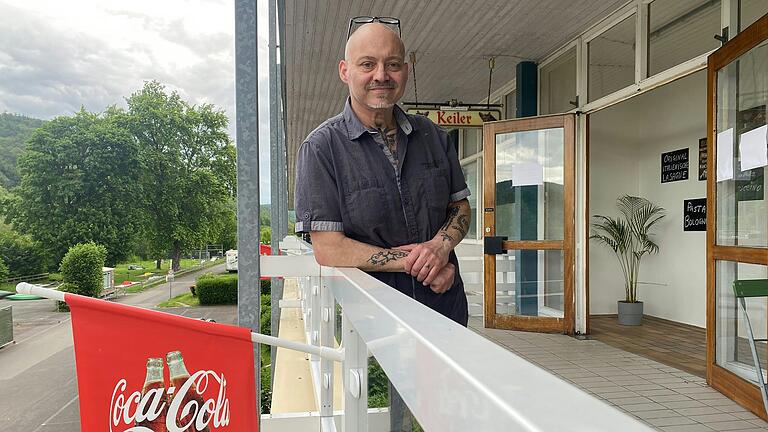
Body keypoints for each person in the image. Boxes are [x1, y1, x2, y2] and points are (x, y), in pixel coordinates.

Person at [294, 18, 472, 431]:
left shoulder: (433, 137)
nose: (381, 76)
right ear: (345, 71)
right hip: (373, 327)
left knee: (447, 417)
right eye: (367, 64)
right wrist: (417, 261)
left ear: (406, 70)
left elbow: (461, 209)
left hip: (444, 311)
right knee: (388, 421)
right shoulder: (321, 149)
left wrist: (440, 248)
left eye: (392, 64)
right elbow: (329, 248)